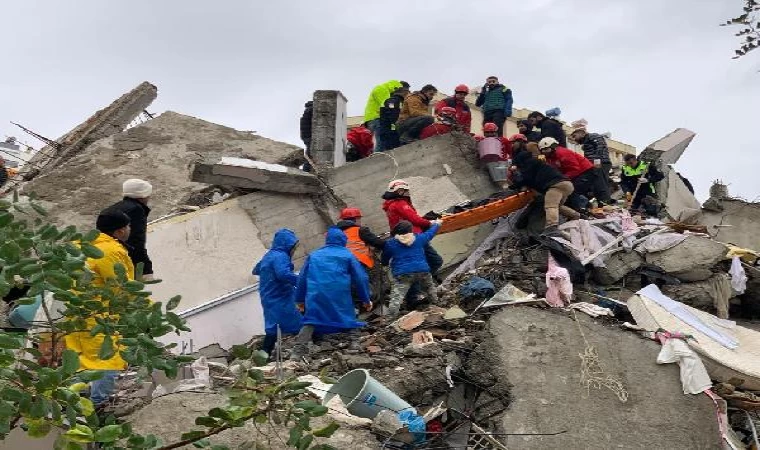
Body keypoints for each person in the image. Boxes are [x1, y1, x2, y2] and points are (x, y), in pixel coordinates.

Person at [64, 207, 134, 408]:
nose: (130, 229)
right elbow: (119, 285)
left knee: (81, 361)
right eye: (128, 226)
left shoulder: (78, 246)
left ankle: (69, 404)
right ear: (119, 231)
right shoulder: (110, 251)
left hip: (75, 313)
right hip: (99, 315)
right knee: (108, 359)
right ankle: (98, 404)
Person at [291, 227, 372, 360]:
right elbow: (360, 278)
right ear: (343, 241)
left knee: (312, 318)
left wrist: (299, 299)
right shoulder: (347, 255)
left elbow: (302, 278)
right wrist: (365, 298)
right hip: (339, 292)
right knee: (347, 315)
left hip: (316, 293)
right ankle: (355, 344)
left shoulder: (314, 255)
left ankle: (298, 351)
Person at [252, 229, 303, 357]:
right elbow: (283, 274)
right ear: (288, 245)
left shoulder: (269, 255)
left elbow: (256, 270)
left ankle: (265, 354)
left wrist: (268, 272)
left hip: (268, 294)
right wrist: (301, 283)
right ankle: (307, 345)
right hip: (280, 294)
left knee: (274, 324)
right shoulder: (281, 256)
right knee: (296, 319)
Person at [381, 179, 444, 281]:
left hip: (403, 238)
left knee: (422, 262)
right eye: (406, 190)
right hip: (413, 237)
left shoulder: (390, 205)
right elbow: (414, 219)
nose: (408, 192)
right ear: (400, 191)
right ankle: (425, 281)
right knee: (435, 261)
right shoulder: (400, 203)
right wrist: (431, 223)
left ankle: (426, 282)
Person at [382, 219, 442, 318]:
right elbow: (430, 233)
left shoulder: (391, 243)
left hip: (403, 274)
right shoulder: (418, 238)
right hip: (422, 270)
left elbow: (385, 257)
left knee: (397, 297)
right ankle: (438, 305)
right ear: (410, 230)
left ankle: (391, 318)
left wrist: (384, 264)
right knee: (430, 288)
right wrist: (437, 224)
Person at [511, 151, 580, 232]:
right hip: (567, 184)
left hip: (556, 186)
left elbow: (524, 180)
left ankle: (552, 226)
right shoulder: (538, 163)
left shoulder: (529, 165)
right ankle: (575, 215)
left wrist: (515, 177)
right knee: (556, 206)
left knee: (550, 206)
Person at [335, 207, 387, 306]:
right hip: (360, 262)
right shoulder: (360, 230)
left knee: (355, 285)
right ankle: (373, 301)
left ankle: (361, 305)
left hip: (343, 264)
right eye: (359, 218)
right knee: (369, 282)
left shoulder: (338, 233)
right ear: (355, 219)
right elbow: (378, 242)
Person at [538, 137, 609, 205]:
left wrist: (562, 179)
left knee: (572, 191)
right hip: (576, 174)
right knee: (569, 190)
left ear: (553, 146)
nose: (545, 151)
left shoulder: (562, 153)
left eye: (546, 149)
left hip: (585, 172)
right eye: (543, 150)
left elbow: (574, 169)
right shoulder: (550, 158)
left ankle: (581, 208)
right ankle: (584, 206)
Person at [109, 179, 154, 280]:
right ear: (142, 196)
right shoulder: (136, 210)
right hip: (126, 262)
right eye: (148, 194)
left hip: (110, 258)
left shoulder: (113, 209)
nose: (149, 197)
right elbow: (137, 241)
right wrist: (145, 270)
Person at [364, 80, 410, 151]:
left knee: (383, 141)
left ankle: (379, 157)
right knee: (381, 141)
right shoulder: (382, 89)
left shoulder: (386, 90)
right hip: (376, 118)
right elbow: (387, 105)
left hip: (374, 118)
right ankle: (377, 159)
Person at [569, 128, 613, 201]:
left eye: (574, 136)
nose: (574, 139)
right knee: (596, 184)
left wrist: (596, 163)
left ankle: (606, 201)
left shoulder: (593, 136)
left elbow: (600, 148)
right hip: (596, 163)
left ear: (581, 133)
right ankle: (602, 202)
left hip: (600, 163)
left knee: (601, 183)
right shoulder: (587, 142)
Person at [376, 86, 409, 151]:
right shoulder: (393, 101)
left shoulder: (396, 101)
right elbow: (392, 114)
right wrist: (394, 127)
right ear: (404, 93)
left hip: (389, 129)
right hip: (389, 130)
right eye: (408, 94)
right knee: (390, 147)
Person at [300, 101, 314, 171]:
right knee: (309, 154)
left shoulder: (306, 112)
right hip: (308, 136)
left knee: (309, 153)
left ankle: (306, 169)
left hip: (306, 136)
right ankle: (306, 170)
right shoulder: (310, 110)